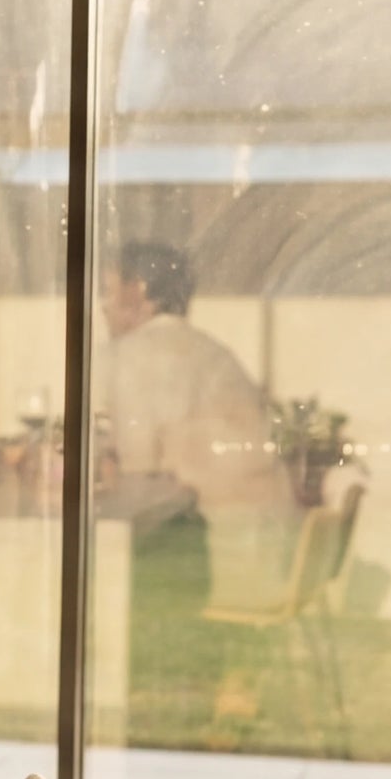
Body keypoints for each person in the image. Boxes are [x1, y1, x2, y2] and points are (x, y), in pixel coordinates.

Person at [98, 239, 293, 616]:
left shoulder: (133, 354)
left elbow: (139, 471)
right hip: (267, 547)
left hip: (219, 559)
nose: (103, 307)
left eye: (107, 291)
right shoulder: (209, 350)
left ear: (136, 291)